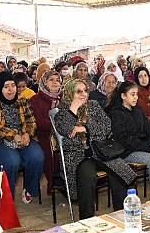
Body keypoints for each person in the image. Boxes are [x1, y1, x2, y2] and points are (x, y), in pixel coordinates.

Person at [53, 79, 136, 219]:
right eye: (78, 91)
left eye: (85, 90)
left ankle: (122, 214)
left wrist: (85, 128)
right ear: (69, 93)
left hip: (100, 151)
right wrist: (73, 108)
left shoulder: (93, 106)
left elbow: (106, 127)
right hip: (78, 156)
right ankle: (87, 219)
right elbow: (65, 129)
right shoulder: (61, 111)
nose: (83, 94)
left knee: (119, 173)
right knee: (87, 177)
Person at [0, 72, 44, 203]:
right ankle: (7, 198)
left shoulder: (23, 100)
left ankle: (30, 189)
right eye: (6, 86)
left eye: (13, 85)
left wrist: (27, 134)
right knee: (12, 161)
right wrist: (14, 135)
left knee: (38, 156)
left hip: (22, 137)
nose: (10, 89)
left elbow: (31, 121)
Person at [108, 81, 150, 197]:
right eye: (132, 94)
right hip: (128, 151)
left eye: (137, 94)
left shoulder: (138, 110)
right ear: (123, 96)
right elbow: (123, 139)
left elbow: (149, 131)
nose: (135, 97)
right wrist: (147, 147)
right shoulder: (116, 113)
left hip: (146, 147)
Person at [29, 70, 62, 196]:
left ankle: (68, 183)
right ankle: (53, 183)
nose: (55, 82)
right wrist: (60, 125)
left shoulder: (63, 98)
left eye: (57, 80)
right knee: (50, 151)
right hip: (44, 136)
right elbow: (40, 123)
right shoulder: (35, 99)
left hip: (63, 134)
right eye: (51, 80)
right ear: (44, 82)